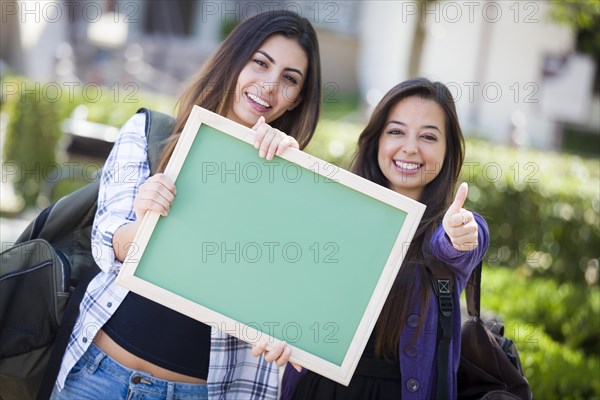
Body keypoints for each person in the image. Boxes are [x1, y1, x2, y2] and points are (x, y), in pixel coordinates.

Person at [51, 10, 321, 400]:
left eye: (290, 79)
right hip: (97, 377)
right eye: (260, 62)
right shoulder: (150, 134)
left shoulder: (293, 182)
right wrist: (146, 220)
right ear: (234, 59)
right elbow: (109, 247)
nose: (269, 84)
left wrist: (290, 180)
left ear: (297, 99)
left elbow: (290, 297)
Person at [281, 78, 490, 400]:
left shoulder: (449, 227)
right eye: (396, 131)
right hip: (318, 388)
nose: (409, 147)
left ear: (448, 150)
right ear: (376, 139)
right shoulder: (339, 212)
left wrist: (459, 234)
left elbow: (458, 244)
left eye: (428, 137)